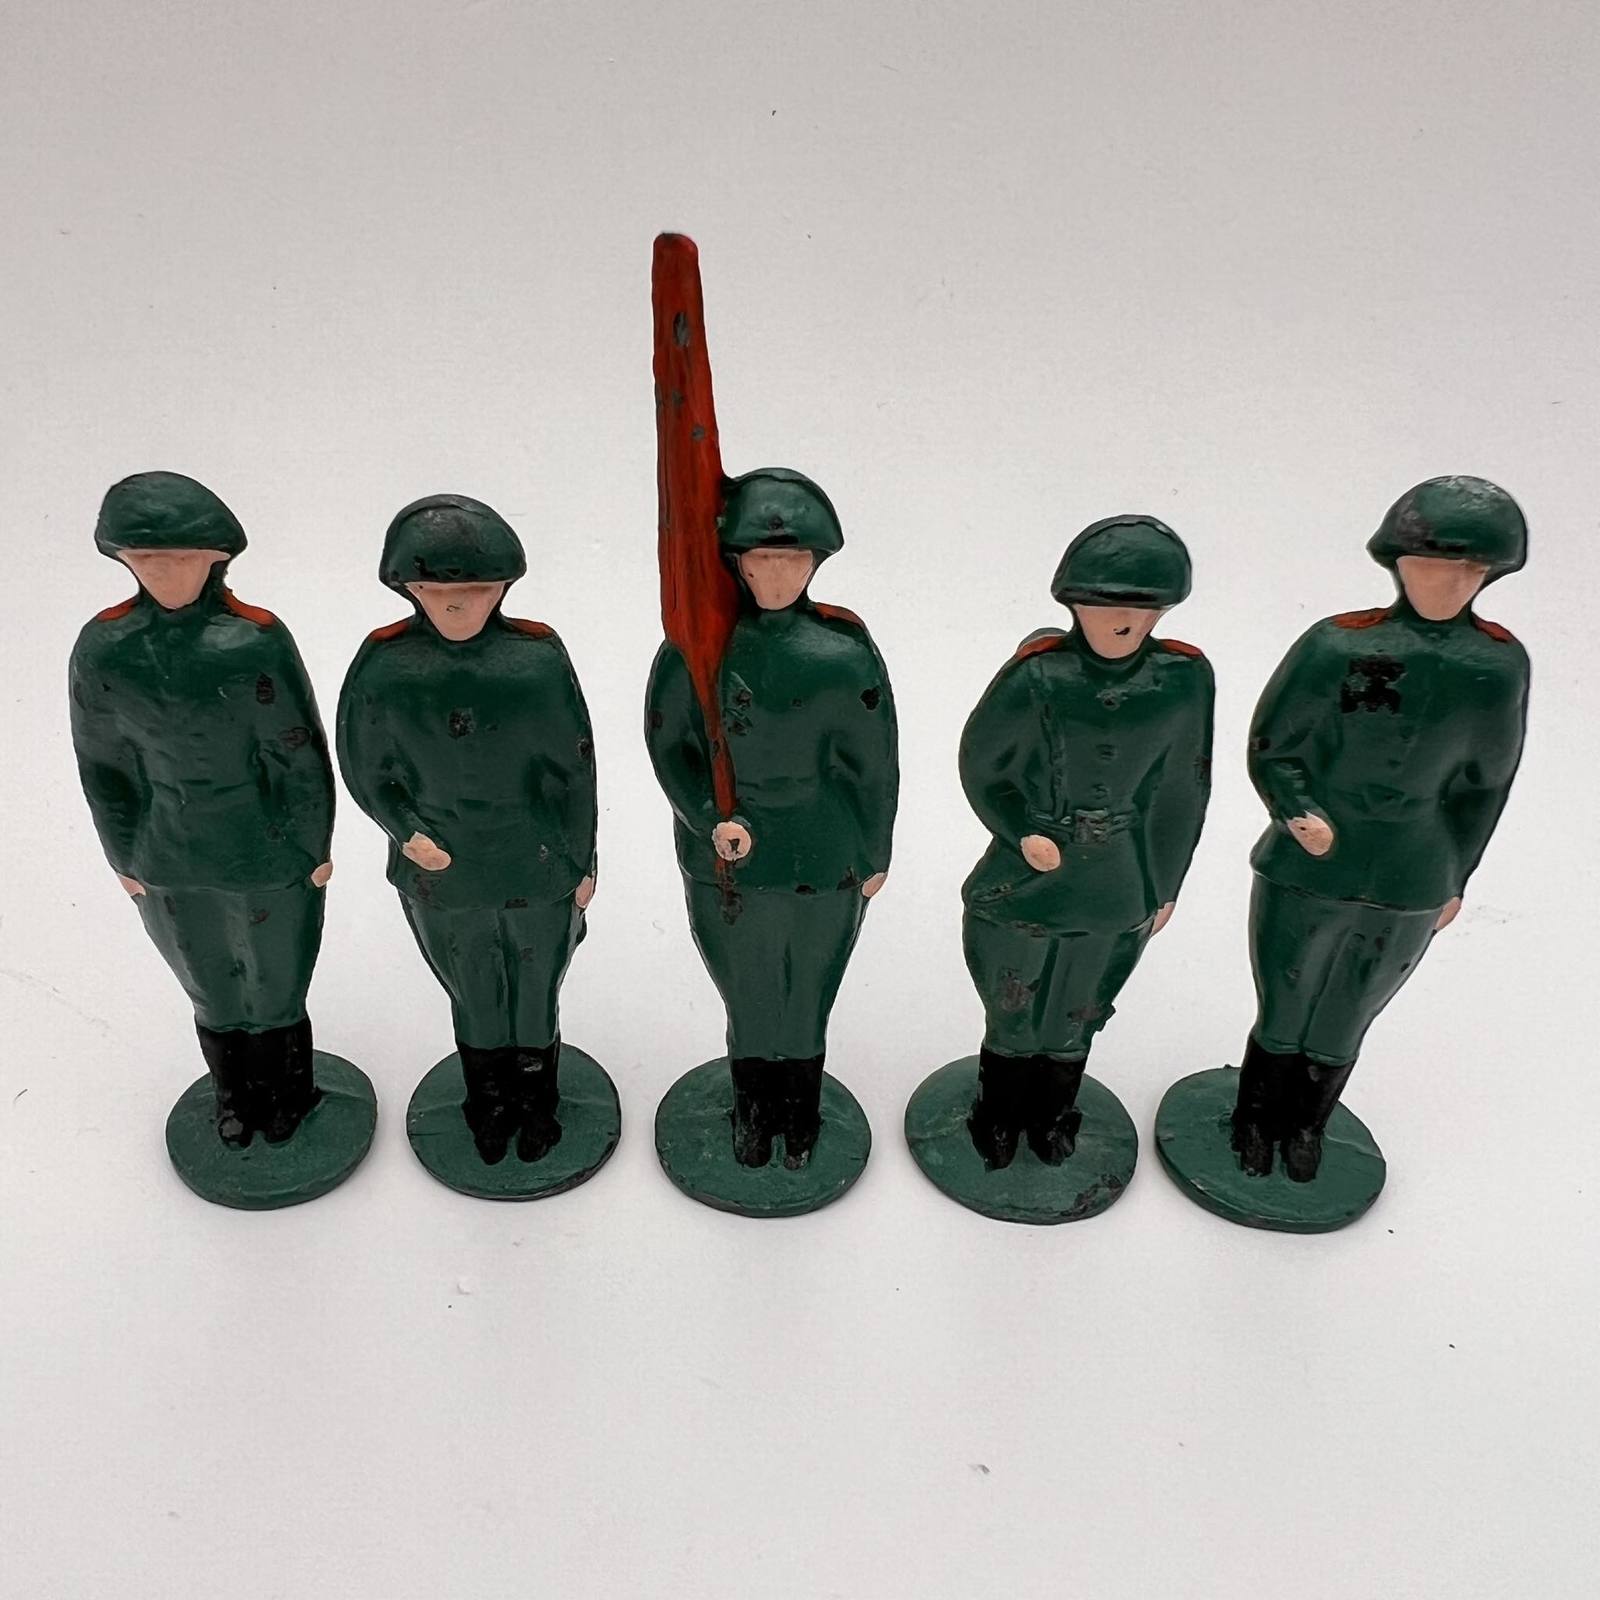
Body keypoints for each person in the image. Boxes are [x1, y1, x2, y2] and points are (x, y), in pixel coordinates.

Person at [1232, 475, 1530, 1181]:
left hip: (1412, 872)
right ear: (1397, 562)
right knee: (1286, 997)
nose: (1448, 581)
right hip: (1310, 864)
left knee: (1350, 1010)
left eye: (1469, 568)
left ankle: (1307, 1126)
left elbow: (1484, 787)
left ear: (1488, 575)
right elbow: (1275, 745)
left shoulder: (1496, 666)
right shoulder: (1336, 646)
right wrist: (1297, 810)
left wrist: (1457, 875)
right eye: (1431, 563)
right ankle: (1253, 1119)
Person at [69, 471, 335, 1146]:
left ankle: (288, 1095)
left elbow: (298, 755)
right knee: (208, 982)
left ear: (215, 560)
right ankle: (233, 1095)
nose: (166, 573)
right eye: (148, 558)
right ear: (123, 560)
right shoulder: (106, 649)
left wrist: (312, 848)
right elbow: (105, 767)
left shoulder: (253, 642)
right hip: (168, 851)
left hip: (264, 846)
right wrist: (125, 857)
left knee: (277, 980)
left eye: (183, 558)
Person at [645, 468, 899, 1168]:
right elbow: (669, 745)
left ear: (816, 563)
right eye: (762, 559)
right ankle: (753, 1112)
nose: (778, 575)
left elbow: (873, 764)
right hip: (732, 856)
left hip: (823, 852)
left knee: (811, 990)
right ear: (736, 562)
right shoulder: (698, 650)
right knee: (749, 991)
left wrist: (874, 850)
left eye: (793, 559)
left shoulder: (843, 653)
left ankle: (801, 1112)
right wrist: (707, 816)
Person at [337, 495, 596, 1164]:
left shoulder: (536, 660)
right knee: (474, 989)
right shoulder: (385, 665)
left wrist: (583, 860)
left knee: (536, 988)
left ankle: (538, 1104)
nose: (457, 604)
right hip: (444, 867)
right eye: (436, 590)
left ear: (503, 588)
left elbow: (573, 769)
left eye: (477, 590)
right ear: (409, 590)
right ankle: (488, 1104)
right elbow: (365, 764)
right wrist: (403, 828)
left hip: (536, 861)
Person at [959, 516, 1213, 1167]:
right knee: (1013, 1000)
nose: (1122, 621)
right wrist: (1020, 831)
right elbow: (984, 765)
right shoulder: (1038, 676)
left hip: (1116, 878)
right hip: (1033, 872)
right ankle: (996, 1114)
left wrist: (1164, 886)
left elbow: (1180, 791)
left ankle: (1051, 1116)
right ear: (1074, 605)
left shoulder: (1183, 680)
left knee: (1080, 1008)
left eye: (1141, 607)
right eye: (1104, 605)